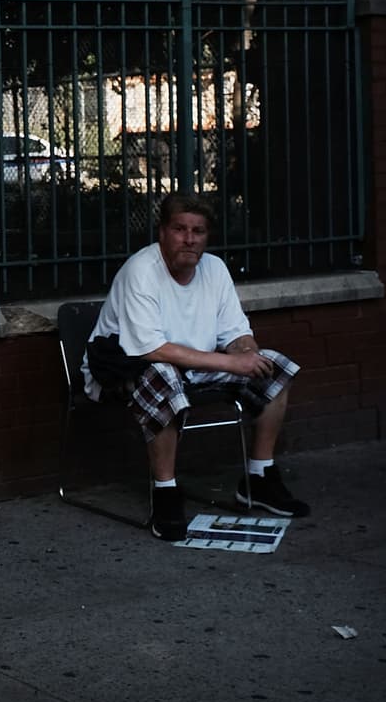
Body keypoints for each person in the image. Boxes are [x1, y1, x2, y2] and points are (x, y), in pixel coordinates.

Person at [81, 192, 309, 541]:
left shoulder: (214, 269)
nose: (189, 239)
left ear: (207, 237)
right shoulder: (141, 270)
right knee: (163, 375)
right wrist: (231, 362)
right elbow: (151, 349)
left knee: (273, 367)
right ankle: (165, 492)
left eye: (198, 231)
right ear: (162, 233)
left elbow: (236, 333)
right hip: (122, 369)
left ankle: (259, 478)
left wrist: (248, 353)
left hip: (192, 365)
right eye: (180, 229)